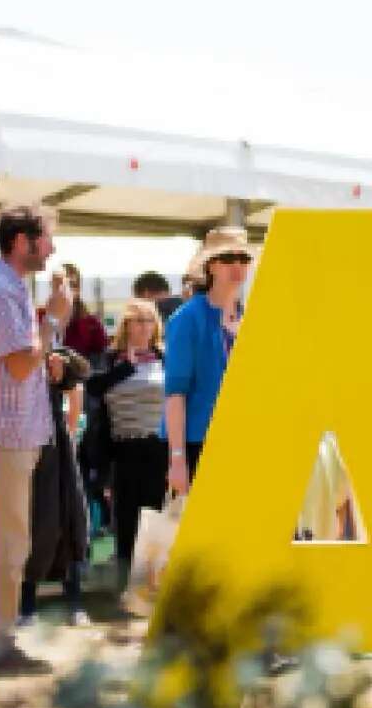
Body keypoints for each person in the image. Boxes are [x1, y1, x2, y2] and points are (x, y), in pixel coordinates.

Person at [0, 205, 62, 650]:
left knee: (10, 538)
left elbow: (20, 362)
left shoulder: (7, 286)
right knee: (8, 541)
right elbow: (18, 363)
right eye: (48, 238)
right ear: (22, 242)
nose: (52, 247)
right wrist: (53, 318)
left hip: (15, 435)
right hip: (5, 437)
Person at [164, 226, 253, 495]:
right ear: (210, 266)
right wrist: (177, 459)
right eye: (227, 258)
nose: (237, 265)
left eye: (243, 258)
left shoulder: (249, 318)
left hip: (242, 442)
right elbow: (175, 393)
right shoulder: (186, 318)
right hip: (197, 444)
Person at [86, 299, 168, 585]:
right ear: (127, 325)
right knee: (127, 518)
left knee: (156, 516)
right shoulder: (112, 359)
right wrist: (126, 367)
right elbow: (93, 388)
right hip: (122, 448)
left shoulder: (164, 357)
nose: (145, 326)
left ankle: (152, 587)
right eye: (139, 320)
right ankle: (127, 586)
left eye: (149, 320)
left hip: (158, 447)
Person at [23, 347, 92, 625]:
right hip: (24, 446)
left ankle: (74, 603)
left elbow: (79, 372)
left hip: (57, 446)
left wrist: (60, 364)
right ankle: (26, 606)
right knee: (35, 525)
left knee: (73, 520)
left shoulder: (46, 344)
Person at [56, 263, 110, 365]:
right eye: (60, 284)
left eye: (72, 285)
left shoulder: (91, 323)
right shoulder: (38, 318)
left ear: (78, 289)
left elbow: (101, 358)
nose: (66, 290)